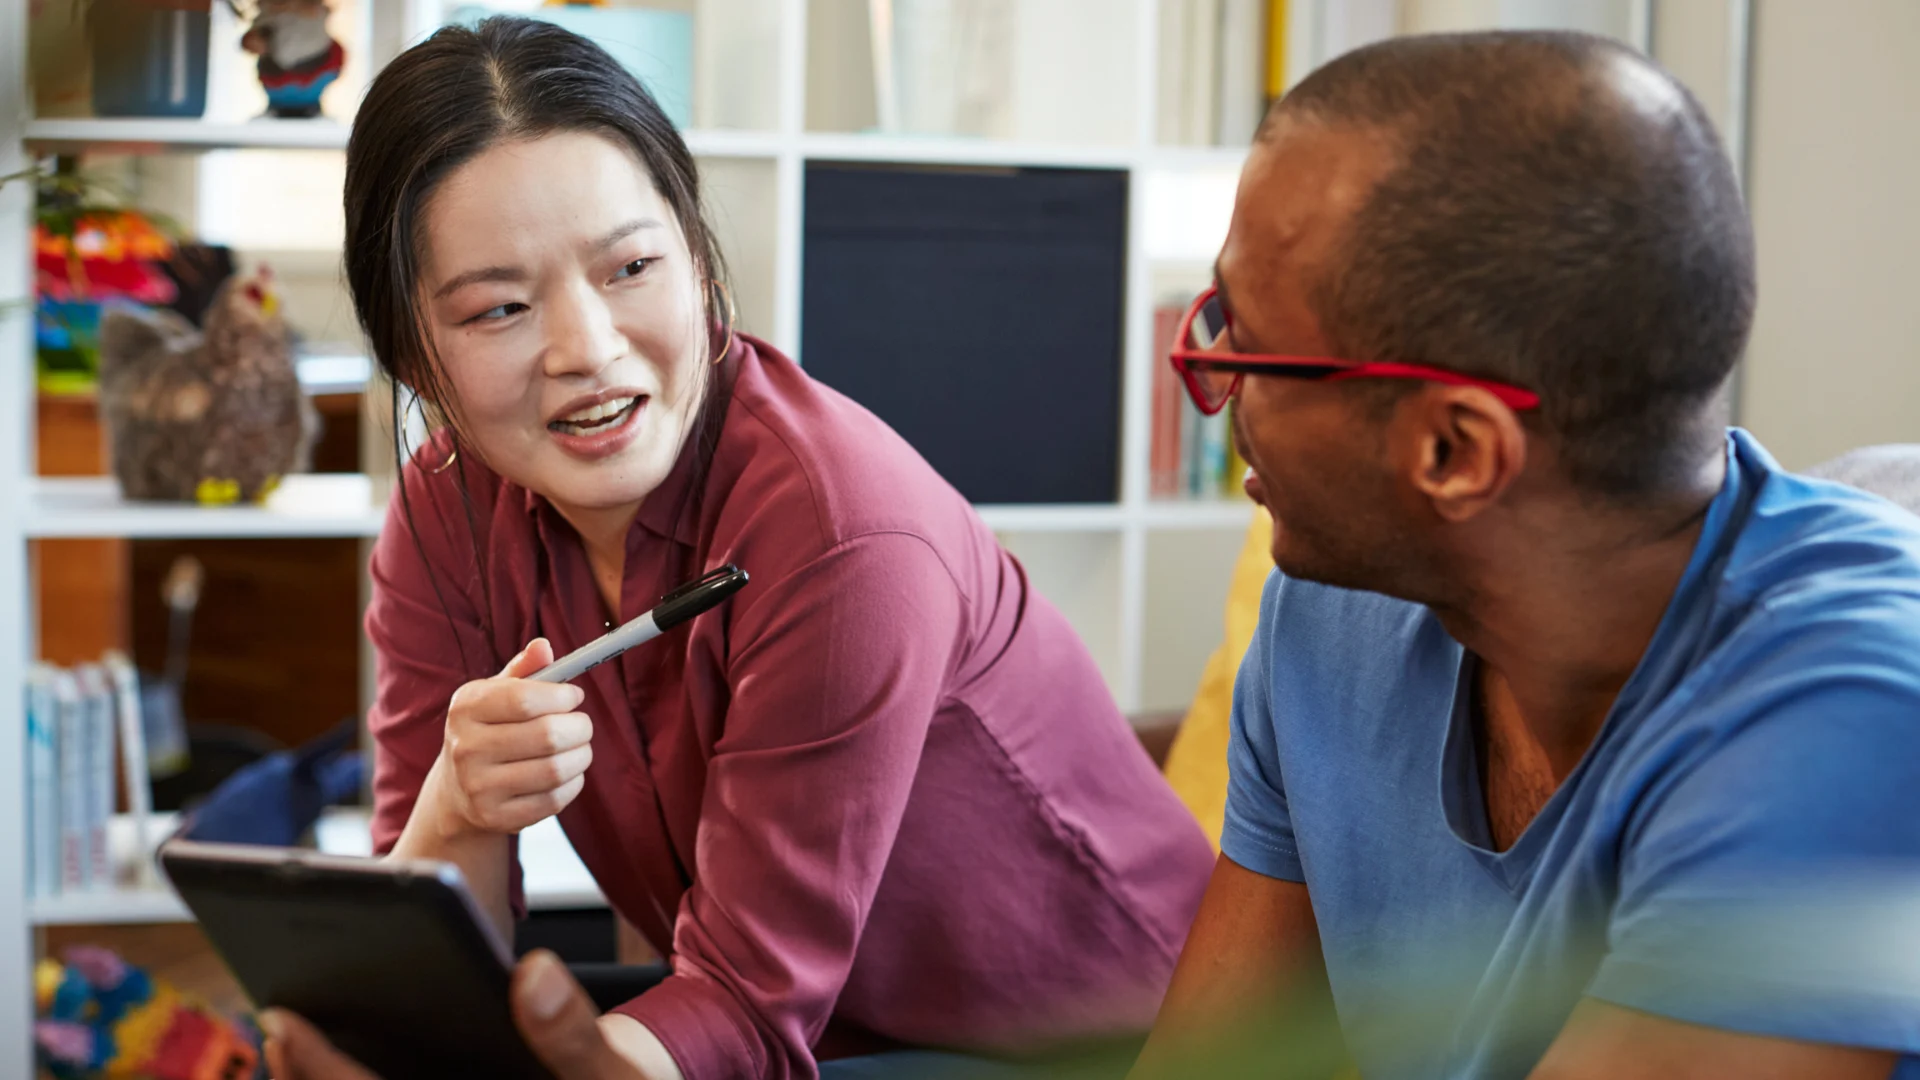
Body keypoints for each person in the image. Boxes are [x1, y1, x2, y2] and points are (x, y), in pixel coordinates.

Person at [291, 16, 1213, 1080]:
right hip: (812, 1026)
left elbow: (744, 1010)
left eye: (632, 265)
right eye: (499, 308)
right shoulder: (446, 512)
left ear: (700, 264)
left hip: (1102, 1046)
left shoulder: (842, 531)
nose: (587, 350)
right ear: (416, 353)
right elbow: (426, 966)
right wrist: (458, 801)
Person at [1130, 30, 1920, 1080]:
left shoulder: (1856, 709)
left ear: (1454, 452)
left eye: (1248, 343)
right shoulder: (1332, 612)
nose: (1218, 381)